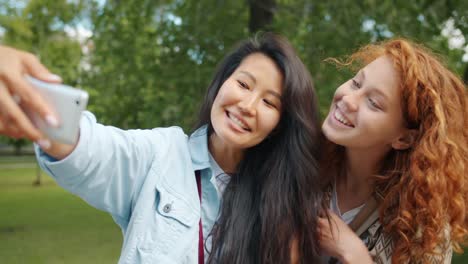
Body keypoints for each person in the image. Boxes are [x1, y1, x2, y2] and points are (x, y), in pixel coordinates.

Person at [0, 33, 325, 263]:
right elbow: (89, 150)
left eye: (269, 102)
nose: (248, 105)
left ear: (279, 126)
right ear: (221, 83)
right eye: (243, 84)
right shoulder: (160, 155)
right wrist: (34, 103)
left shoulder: (282, 205)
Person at [318, 38, 467, 263]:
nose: (348, 100)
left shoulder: (422, 228)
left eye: (374, 103)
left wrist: (354, 254)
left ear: (404, 138)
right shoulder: (300, 162)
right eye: (356, 83)